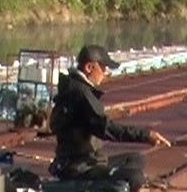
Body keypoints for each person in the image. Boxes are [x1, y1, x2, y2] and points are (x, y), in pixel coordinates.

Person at [50, 43, 171, 180]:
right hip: (80, 168)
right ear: (89, 67)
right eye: (102, 68)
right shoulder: (81, 94)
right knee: (135, 177)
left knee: (136, 159)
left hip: (88, 161)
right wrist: (145, 135)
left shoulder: (74, 87)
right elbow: (106, 128)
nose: (105, 73)